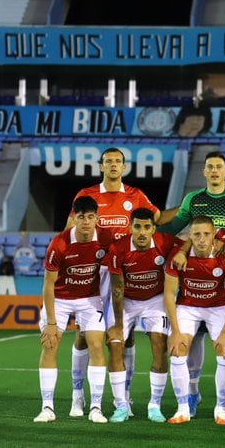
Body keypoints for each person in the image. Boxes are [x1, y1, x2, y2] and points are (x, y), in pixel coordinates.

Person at [67, 147, 177, 419]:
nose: (113, 165)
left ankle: (123, 398)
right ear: (101, 166)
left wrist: (187, 209)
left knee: (124, 339)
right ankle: (77, 395)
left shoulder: (135, 195)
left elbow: (158, 218)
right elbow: (70, 229)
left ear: (124, 167)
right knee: (84, 335)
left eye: (118, 161)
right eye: (108, 161)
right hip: (94, 271)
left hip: (123, 270)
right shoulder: (86, 195)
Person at [159, 150, 225, 417]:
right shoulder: (194, 199)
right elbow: (179, 227)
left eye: (219, 167)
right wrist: (151, 229)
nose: (214, 171)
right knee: (193, 341)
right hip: (196, 271)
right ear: (204, 172)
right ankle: (192, 393)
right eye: (209, 166)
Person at [33, 196, 115, 424]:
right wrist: (51, 322)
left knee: (97, 344)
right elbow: (48, 284)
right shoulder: (59, 244)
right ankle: (47, 407)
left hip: (89, 298)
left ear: (97, 218)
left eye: (91, 217)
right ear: (74, 219)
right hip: (60, 299)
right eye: (81, 217)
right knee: (50, 343)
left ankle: (96, 407)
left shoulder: (106, 239)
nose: (87, 222)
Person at [105, 208, 184, 423]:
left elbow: (187, 243)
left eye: (147, 227)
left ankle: (154, 405)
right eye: (137, 227)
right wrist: (119, 325)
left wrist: (182, 252)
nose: (142, 232)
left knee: (160, 345)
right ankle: (121, 405)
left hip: (155, 300)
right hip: (127, 300)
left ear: (154, 229)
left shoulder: (165, 242)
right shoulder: (118, 248)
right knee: (115, 343)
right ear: (130, 228)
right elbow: (118, 288)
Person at [164, 215, 225, 425]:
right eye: (197, 234)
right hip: (188, 306)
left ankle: (220, 408)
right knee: (177, 348)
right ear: (189, 236)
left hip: (218, 307)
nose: (201, 239)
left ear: (214, 234)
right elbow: (169, 294)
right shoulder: (179, 256)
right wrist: (174, 330)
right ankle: (182, 408)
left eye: (206, 234)